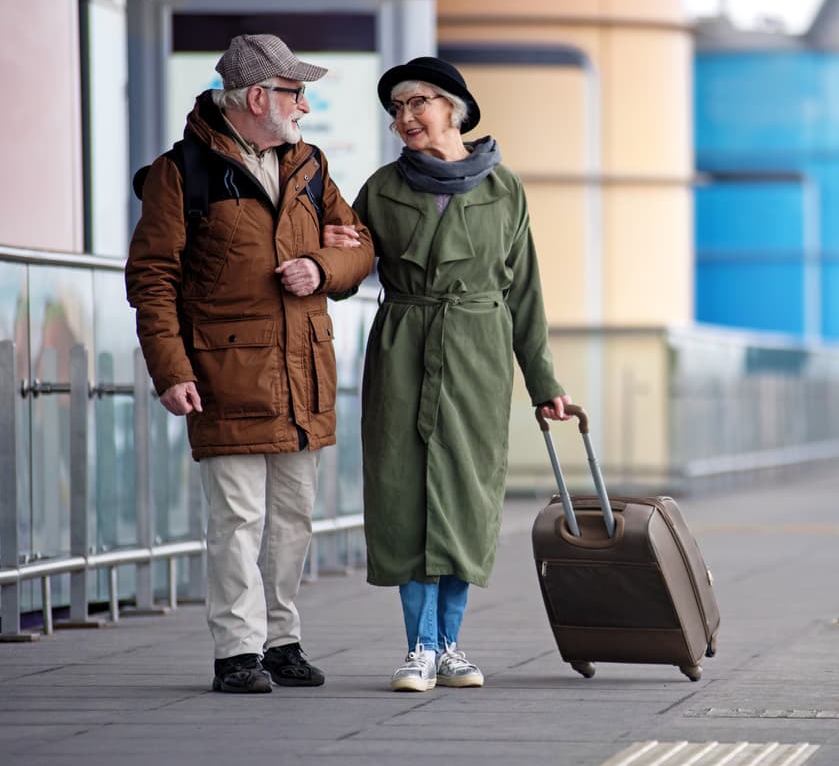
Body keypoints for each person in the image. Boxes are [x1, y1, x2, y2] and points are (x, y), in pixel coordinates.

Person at [125, 34, 375, 694]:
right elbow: (152, 279)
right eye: (296, 92)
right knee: (237, 519)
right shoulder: (181, 174)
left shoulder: (311, 165)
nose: (307, 105)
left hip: (303, 376)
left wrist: (322, 263)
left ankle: (283, 639)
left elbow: (362, 250)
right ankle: (239, 650)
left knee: (292, 519)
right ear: (259, 97)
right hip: (222, 377)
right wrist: (171, 369)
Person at [320, 56, 569, 693]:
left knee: (465, 494)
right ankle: (419, 648)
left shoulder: (504, 189)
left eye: (418, 104)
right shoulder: (379, 188)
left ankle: (450, 644)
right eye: (396, 109)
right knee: (403, 492)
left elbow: (526, 294)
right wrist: (328, 256)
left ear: (453, 108)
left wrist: (545, 387)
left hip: (477, 355)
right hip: (404, 346)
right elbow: (349, 271)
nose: (405, 118)